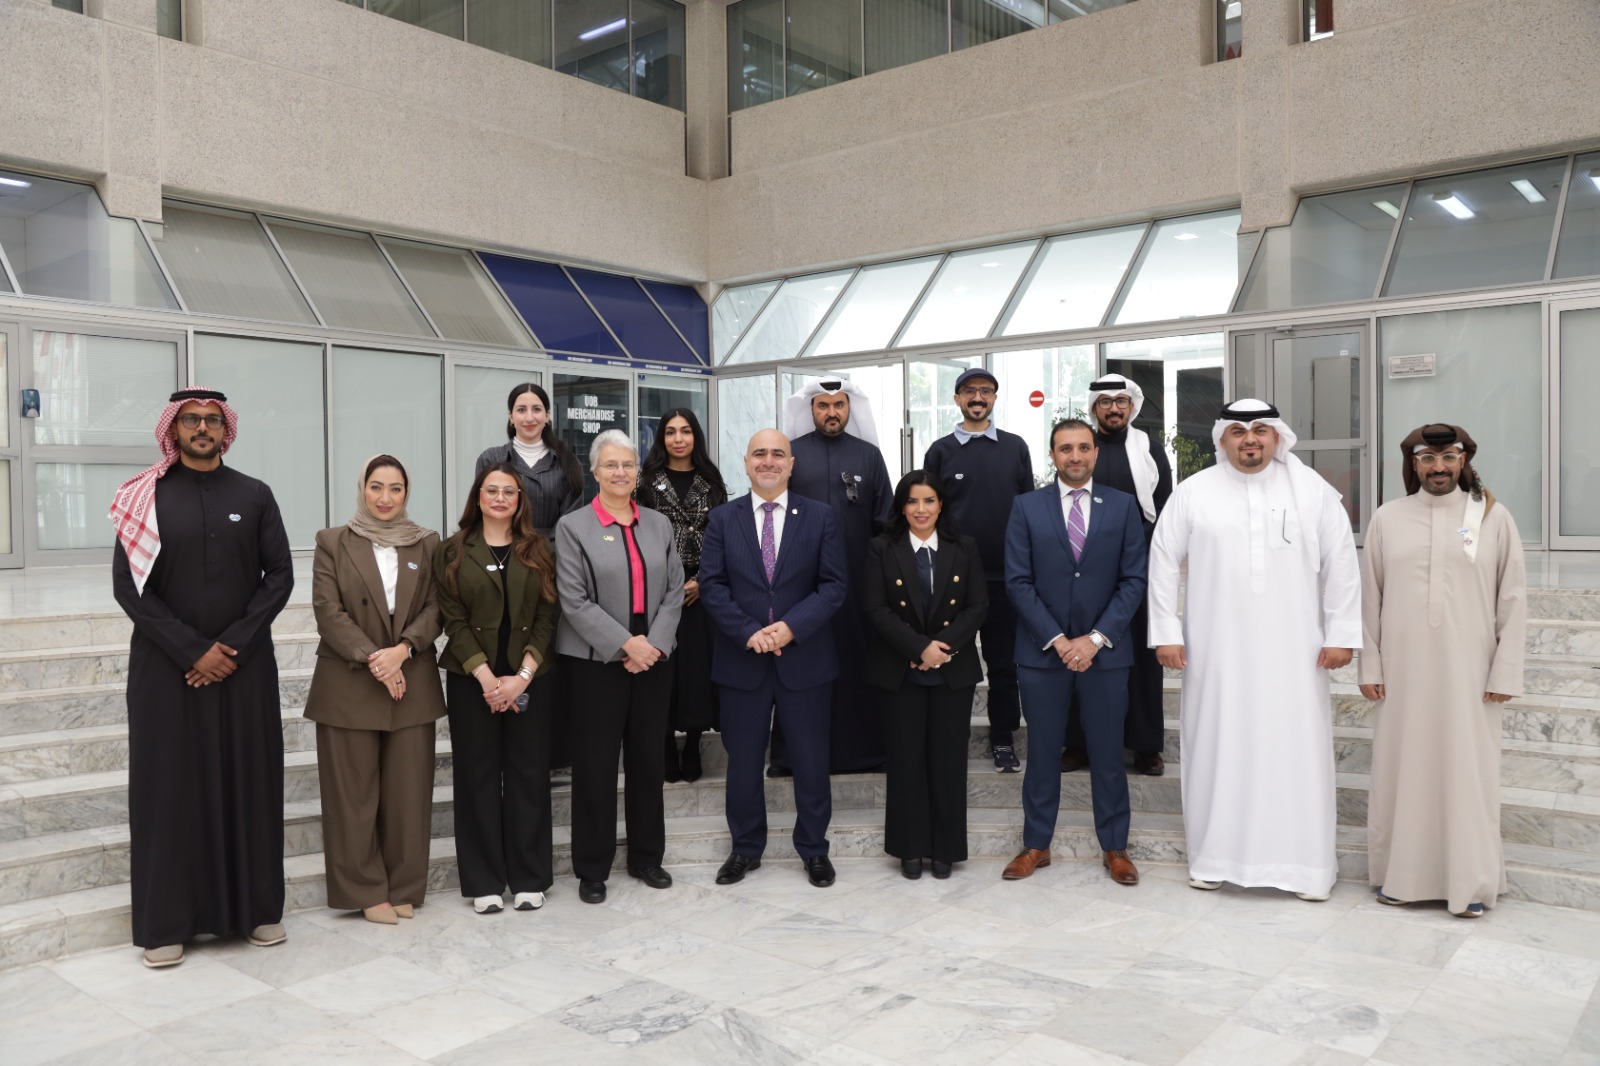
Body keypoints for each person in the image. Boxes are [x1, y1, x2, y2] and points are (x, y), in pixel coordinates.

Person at [108, 387, 294, 968]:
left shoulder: (255, 495)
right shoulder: (144, 497)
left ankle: (256, 912)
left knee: (249, 782)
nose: (203, 428)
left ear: (226, 429)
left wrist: (230, 646)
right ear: (174, 428)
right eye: (192, 420)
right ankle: (166, 923)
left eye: (213, 420)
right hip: (167, 670)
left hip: (244, 669)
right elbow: (128, 588)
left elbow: (280, 577)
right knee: (170, 791)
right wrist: (192, 650)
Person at [1148, 399, 1361, 901]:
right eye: (1240, 431)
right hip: (1216, 654)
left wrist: (1341, 635)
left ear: (1277, 437)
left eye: (1261, 430)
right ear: (1222, 439)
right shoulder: (1193, 493)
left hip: (1296, 653)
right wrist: (1166, 631)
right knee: (1218, 747)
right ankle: (1213, 858)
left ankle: (1306, 869)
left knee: (1296, 752)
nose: (1250, 440)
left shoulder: (1313, 492)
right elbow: (1161, 562)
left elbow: (1342, 566)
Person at [1361, 423, 1526, 918]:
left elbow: (1513, 599)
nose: (1438, 468)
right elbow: (1370, 597)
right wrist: (1371, 662)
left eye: (1448, 457)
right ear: (1413, 464)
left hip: (1470, 675)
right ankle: (1401, 877)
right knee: (1402, 770)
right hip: (1403, 673)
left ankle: (1470, 882)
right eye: (1427, 459)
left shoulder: (1492, 519)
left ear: (1463, 460)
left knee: (1467, 773)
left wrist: (1505, 672)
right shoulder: (1388, 519)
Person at [698, 429, 848, 888]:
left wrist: (790, 628)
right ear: (745, 463)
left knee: (809, 759)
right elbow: (712, 585)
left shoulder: (820, 517)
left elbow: (834, 585)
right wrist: (751, 634)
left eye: (777, 454)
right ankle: (745, 848)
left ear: (791, 463)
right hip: (743, 660)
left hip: (804, 658)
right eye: (759, 454)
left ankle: (814, 849)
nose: (768, 461)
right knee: (742, 762)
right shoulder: (723, 518)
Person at [1000, 420, 1147, 885]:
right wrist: (1061, 640)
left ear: (1096, 454)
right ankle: (1036, 845)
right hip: (1044, 654)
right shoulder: (1026, 507)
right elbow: (1018, 582)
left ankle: (1115, 848)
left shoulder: (1123, 507)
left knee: (1107, 753)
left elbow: (1133, 581)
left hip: (1105, 655)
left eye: (1084, 447)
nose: (1076, 456)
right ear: (1052, 455)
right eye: (1066, 448)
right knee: (1043, 752)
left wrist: (1095, 638)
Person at [304, 455, 444, 926]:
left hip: (412, 680)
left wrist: (403, 650)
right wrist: (374, 659)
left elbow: (436, 608)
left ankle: (404, 885)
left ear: (408, 493)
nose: (385, 498)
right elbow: (328, 611)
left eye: (396, 488)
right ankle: (365, 889)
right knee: (353, 797)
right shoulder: (333, 542)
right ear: (362, 488)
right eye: (377, 487)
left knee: (409, 794)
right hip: (349, 683)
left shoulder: (426, 543)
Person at [555, 430, 684, 905]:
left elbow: (674, 591)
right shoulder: (573, 527)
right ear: (595, 471)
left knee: (649, 760)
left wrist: (651, 645)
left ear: (638, 471)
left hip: (653, 658)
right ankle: (592, 867)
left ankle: (648, 857)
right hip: (596, 663)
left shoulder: (659, 524)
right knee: (596, 765)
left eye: (628, 464)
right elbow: (573, 600)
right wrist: (625, 644)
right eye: (611, 465)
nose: (621, 472)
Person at [435, 463, 561, 914]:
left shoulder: (539, 550)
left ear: (520, 500)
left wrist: (521, 677)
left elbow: (548, 617)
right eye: (493, 490)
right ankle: (484, 881)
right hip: (475, 683)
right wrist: (487, 679)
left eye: (510, 491)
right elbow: (453, 619)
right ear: (479, 496)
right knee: (478, 778)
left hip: (530, 679)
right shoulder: (452, 550)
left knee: (528, 777)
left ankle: (530, 877)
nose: (501, 498)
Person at [862, 470, 988, 880]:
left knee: (948, 762)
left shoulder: (963, 547)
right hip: (900, 670)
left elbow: (977, 605)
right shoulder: (882, 548)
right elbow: (876, 608)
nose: (921, 509)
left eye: (929, 501)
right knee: (905, 762)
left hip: (953, 671)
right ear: (902, 507)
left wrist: (940, 648)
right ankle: (909, 849)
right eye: (913, 502)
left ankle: (946, 849)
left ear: (941, 505)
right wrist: (918, 649)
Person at [922, 367, 1035, 773]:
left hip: (1007, 579)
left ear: (994, 399)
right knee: (952, 661)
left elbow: (1029, 511)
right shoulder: (939, 451)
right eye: (970, 391)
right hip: (956, 580)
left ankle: (1003, 738)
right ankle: (948, 739)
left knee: (1005, 665)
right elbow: (928, 512)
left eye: (986, 391)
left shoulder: (1015, 447)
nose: (978, 397)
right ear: (956, 399)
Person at [1062, 374, 1172, 777]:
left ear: (1132, 407)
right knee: (1081, 653)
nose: (1113, 408)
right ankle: (1078, 744)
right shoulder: (1081, 449)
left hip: (1136, 570)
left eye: (1121, 402)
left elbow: (1164, 513)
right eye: (1105, 402)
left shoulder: (1149, 450)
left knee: (1142, 659)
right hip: (1084, 568)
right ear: (1094, 407)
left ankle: (1145, 746)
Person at [783, 377, 893, 775]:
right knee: (800, 668)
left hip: (856, 586)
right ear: (811, 410)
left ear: (850, 409)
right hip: (799, 587)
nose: (831, 413)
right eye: (823, 406)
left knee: (855, 664)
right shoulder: (791, 455)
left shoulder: (869, 457)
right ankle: (792, 756)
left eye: (839, 405)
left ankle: (863, 753)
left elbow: (885, 526)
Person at [636, 408, 728, 783]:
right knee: (661, 669)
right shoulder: (646, 481)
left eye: (685, 431)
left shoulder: (712, 481)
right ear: (662, 438)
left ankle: (692, 744)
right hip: (659, 589)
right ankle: (663, 745)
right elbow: (639, 536)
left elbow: (723, 537)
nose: (678, 439)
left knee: (695, 671)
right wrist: (671, 585)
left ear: (696, 437)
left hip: (702, 590)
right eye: (671, 432)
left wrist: (705, 580)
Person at [475, 382, 585, 538]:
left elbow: (571, 521)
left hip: (552, 555)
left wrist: (545, 551)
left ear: (547, 416)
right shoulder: (490, 459)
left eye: (536, 409)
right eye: (521, 410)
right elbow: (482, 512)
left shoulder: (568, 463)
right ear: (511, 417)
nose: (529, 417)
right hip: (502, 551)